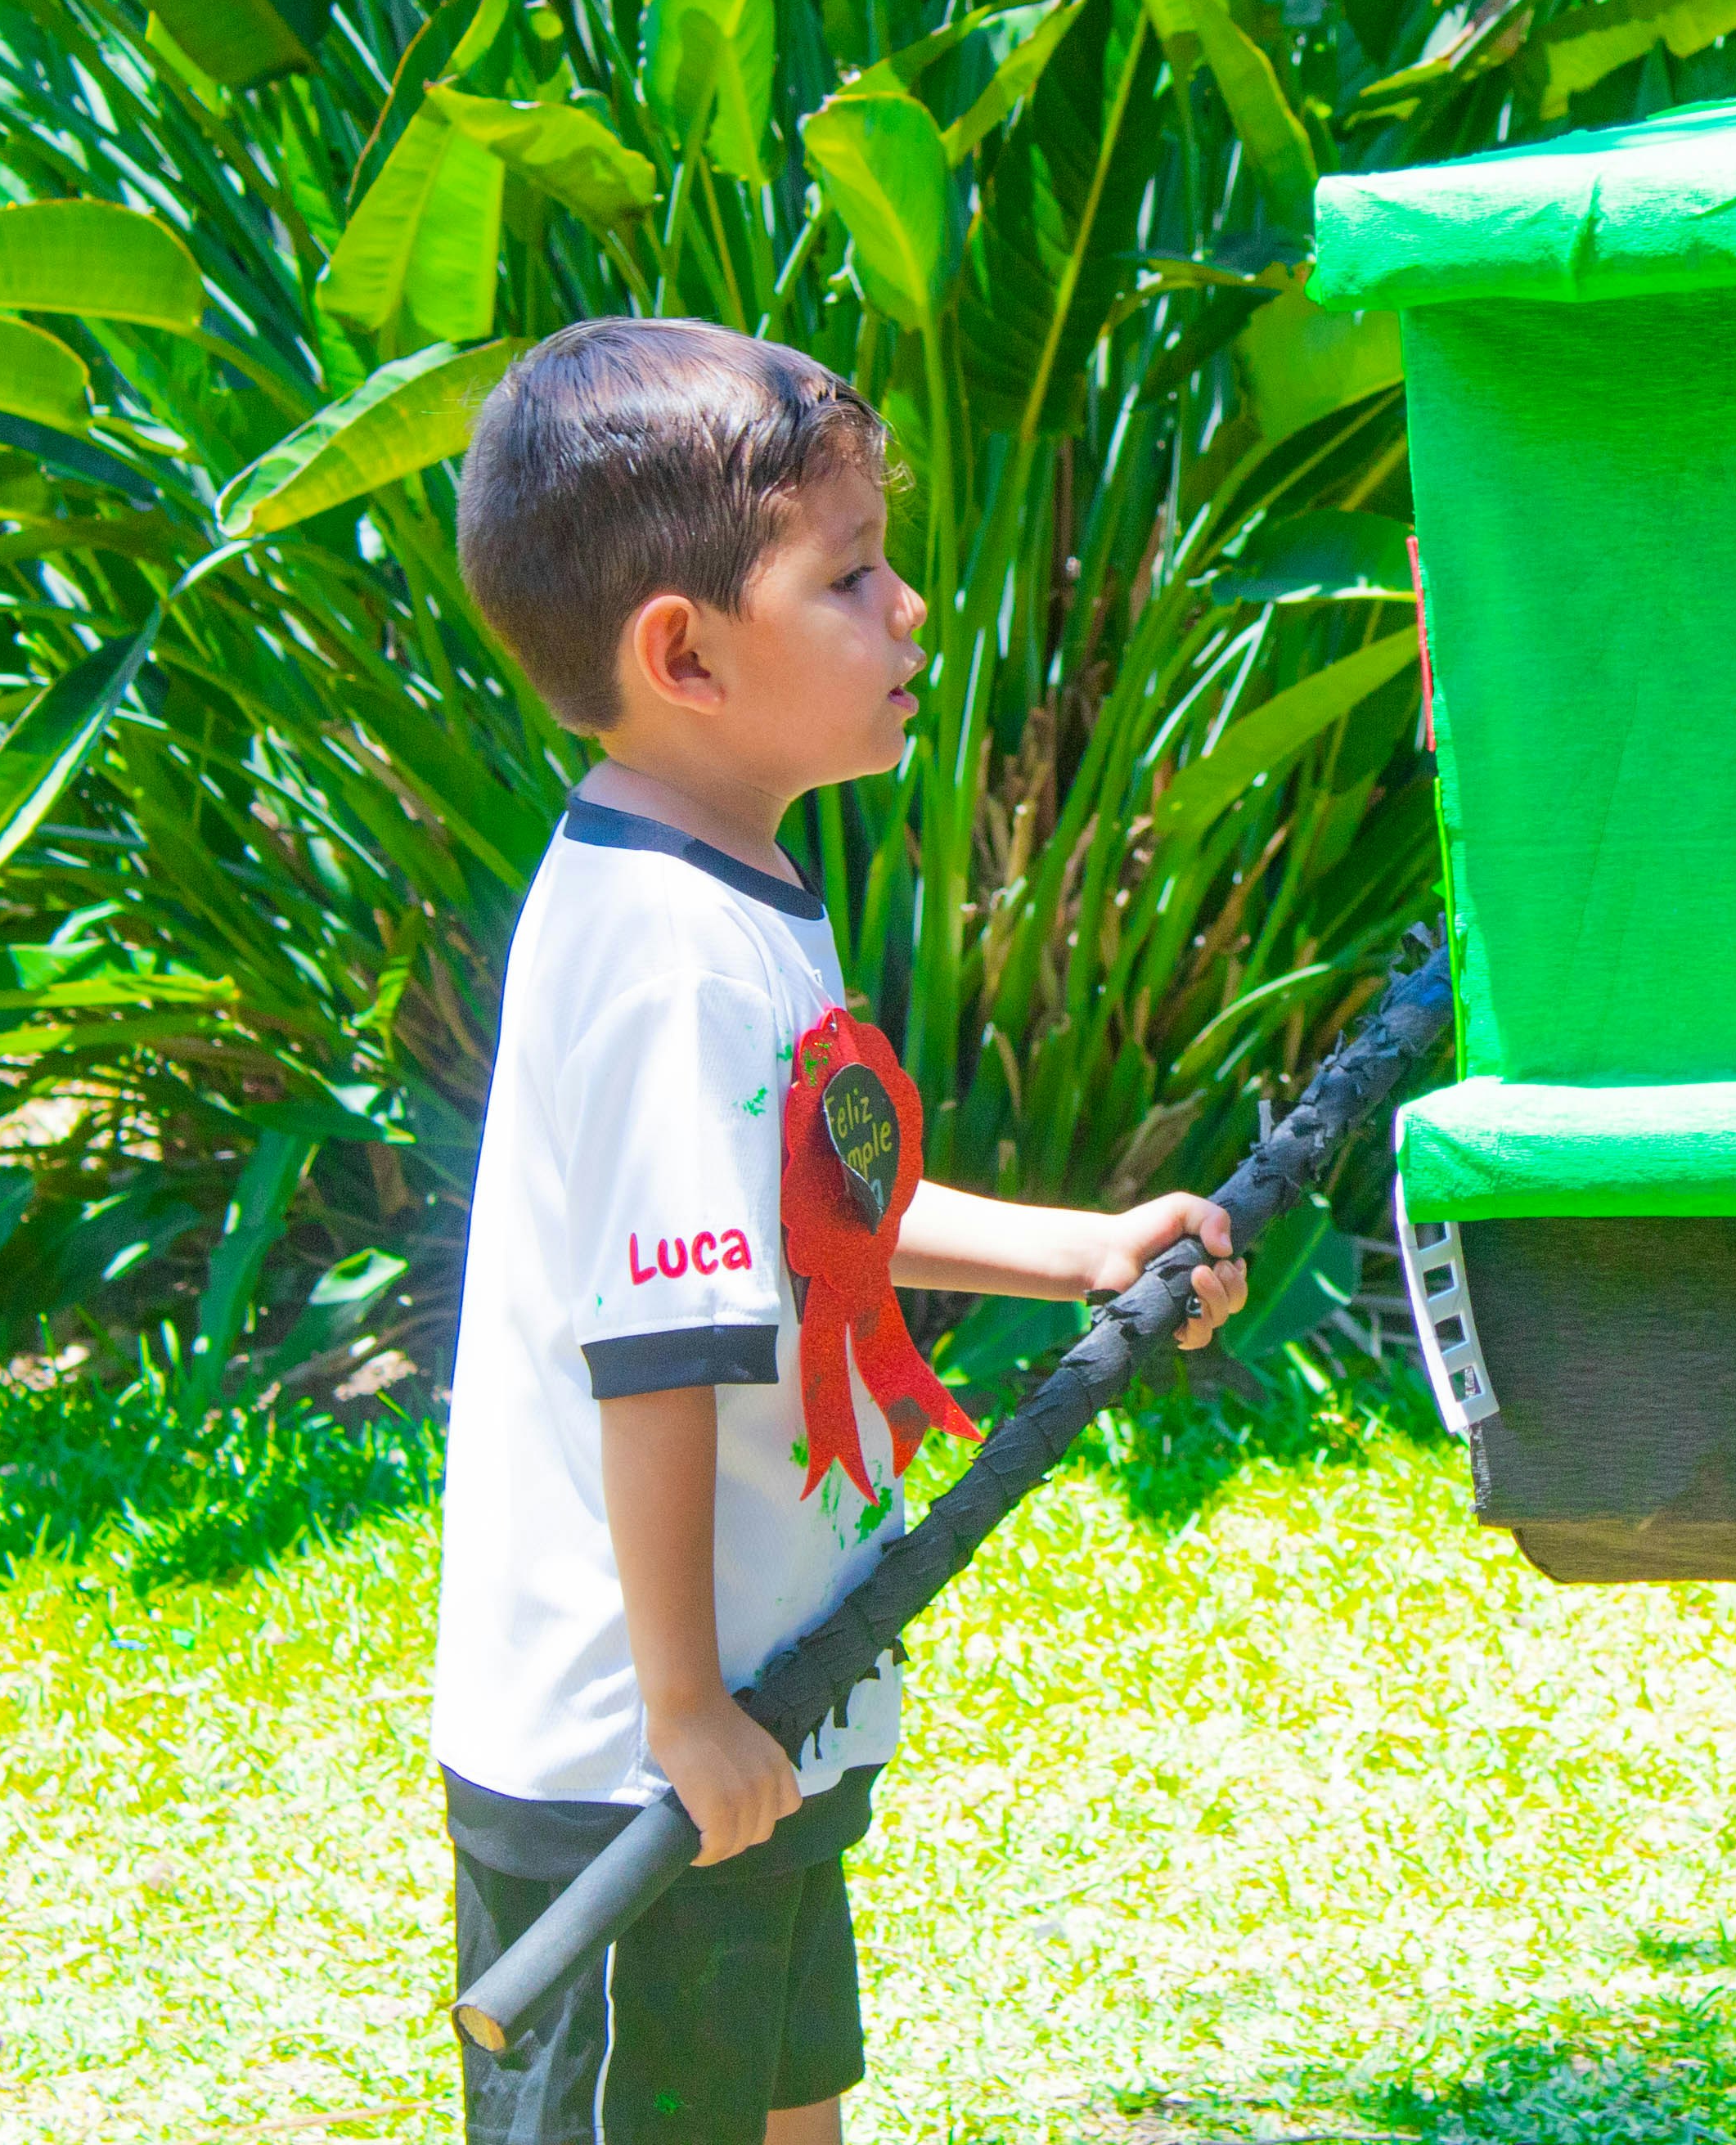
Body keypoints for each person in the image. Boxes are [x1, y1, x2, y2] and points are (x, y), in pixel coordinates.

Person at [432, 319, 1251, 2144]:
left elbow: (814, 1213)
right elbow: (652, 1361)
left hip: (753, 1718)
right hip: (639, 1764)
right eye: (852, 577)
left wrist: (1083, 1251)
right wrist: (679, 1709)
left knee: (791, 2116)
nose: (910, 617)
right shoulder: (665, 957)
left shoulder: (725, 881)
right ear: (684, 653)